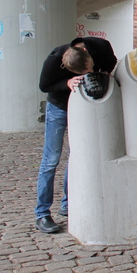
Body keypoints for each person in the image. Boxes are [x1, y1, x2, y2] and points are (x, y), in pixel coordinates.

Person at [36, 37, 117, 234]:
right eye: (83, 73)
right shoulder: (55, 59)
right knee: (51, 159)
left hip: (84, 105)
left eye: (90, 68)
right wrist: (66, 82)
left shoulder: (101, 46)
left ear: (87, 53)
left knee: (76, 155)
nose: (89, 73)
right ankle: (42, 213)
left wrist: (103, 73)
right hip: (59, 107)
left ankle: (68, 204)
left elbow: (112, 61)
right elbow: (44, 86)